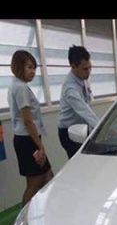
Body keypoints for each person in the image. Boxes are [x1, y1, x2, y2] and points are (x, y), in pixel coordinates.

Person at [8, 50, 53, 205]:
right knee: (35, 183)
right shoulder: (20, 88)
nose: (33, 71)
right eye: (29, 67)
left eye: (34, 68)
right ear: (18, 66)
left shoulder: (17, 86)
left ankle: (46, 210)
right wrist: (40, 147)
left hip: (27, 139)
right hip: (27, 141)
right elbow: (27, 121)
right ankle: (23, 216)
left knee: (47, 176)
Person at [57, 45, 99, 159]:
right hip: (69, 132)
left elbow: (87, 104)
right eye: (85, 69)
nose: (88, 72)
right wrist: (101, 129)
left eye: (90, 68)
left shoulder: (81, 78)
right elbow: (85, 111)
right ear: (73, 66)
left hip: (81, 127)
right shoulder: (70, 88)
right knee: (79, 163)